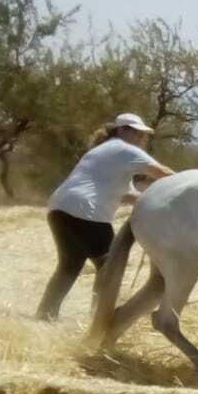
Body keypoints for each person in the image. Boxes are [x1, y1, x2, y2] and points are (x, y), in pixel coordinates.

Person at [35, 112, 174, 321]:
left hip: (59, 209)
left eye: (142, 135)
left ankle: (45, 314)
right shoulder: (124, 149)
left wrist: (154, 200)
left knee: (69, 266)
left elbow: (128, 195)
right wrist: (192, 185)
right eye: (137, 133)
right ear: (122, 130)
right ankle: (99, 319)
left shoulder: (103, 152)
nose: (141, 138)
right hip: (86, 211)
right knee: (110, 268)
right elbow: (163, 173)